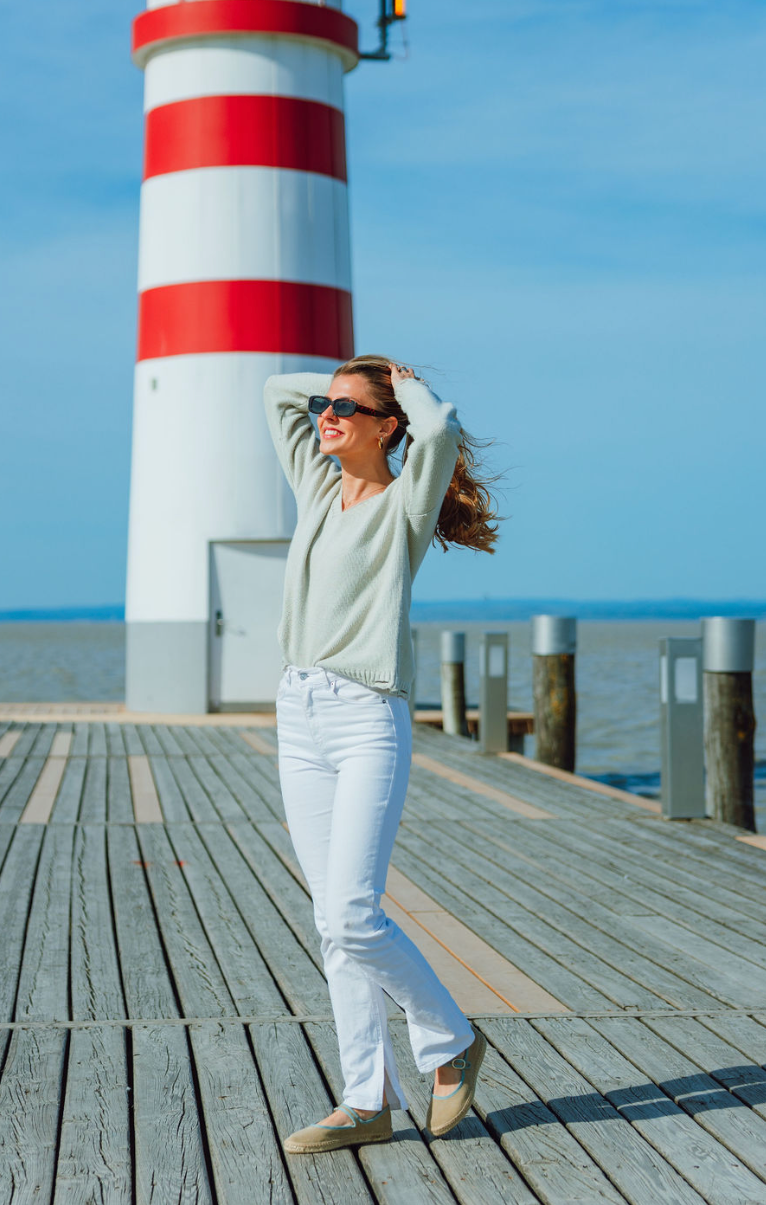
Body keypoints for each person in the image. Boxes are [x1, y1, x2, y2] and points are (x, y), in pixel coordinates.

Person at [262, 354, 500, 1153]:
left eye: (346, 408)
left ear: (387, 425)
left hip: (366, 717)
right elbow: (272, 392)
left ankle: (449, 1039)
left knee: (355, 914)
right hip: (299, 715)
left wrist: (404, 384)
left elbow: (439, 427)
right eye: (324, 405)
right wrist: (343, 382)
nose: (325, 416)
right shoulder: (315, 485)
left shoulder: (406, 502)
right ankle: (366, 1099)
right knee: (332, 923)